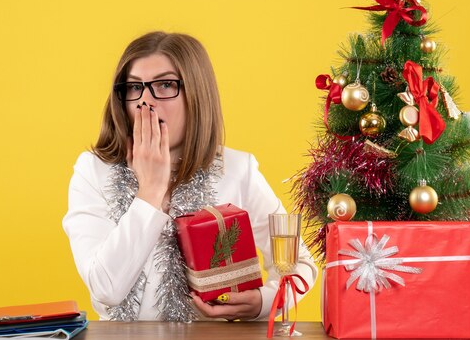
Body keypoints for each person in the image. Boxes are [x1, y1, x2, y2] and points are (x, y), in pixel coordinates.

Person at [62, 31, 317, 322]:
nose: (146, 101)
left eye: (166, 84)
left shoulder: (237, 169)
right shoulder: (93, 171)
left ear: (197, 93)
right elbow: (106, 289)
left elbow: (301, 264)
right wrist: (150, 189)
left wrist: (263, 302)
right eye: (134, 87)